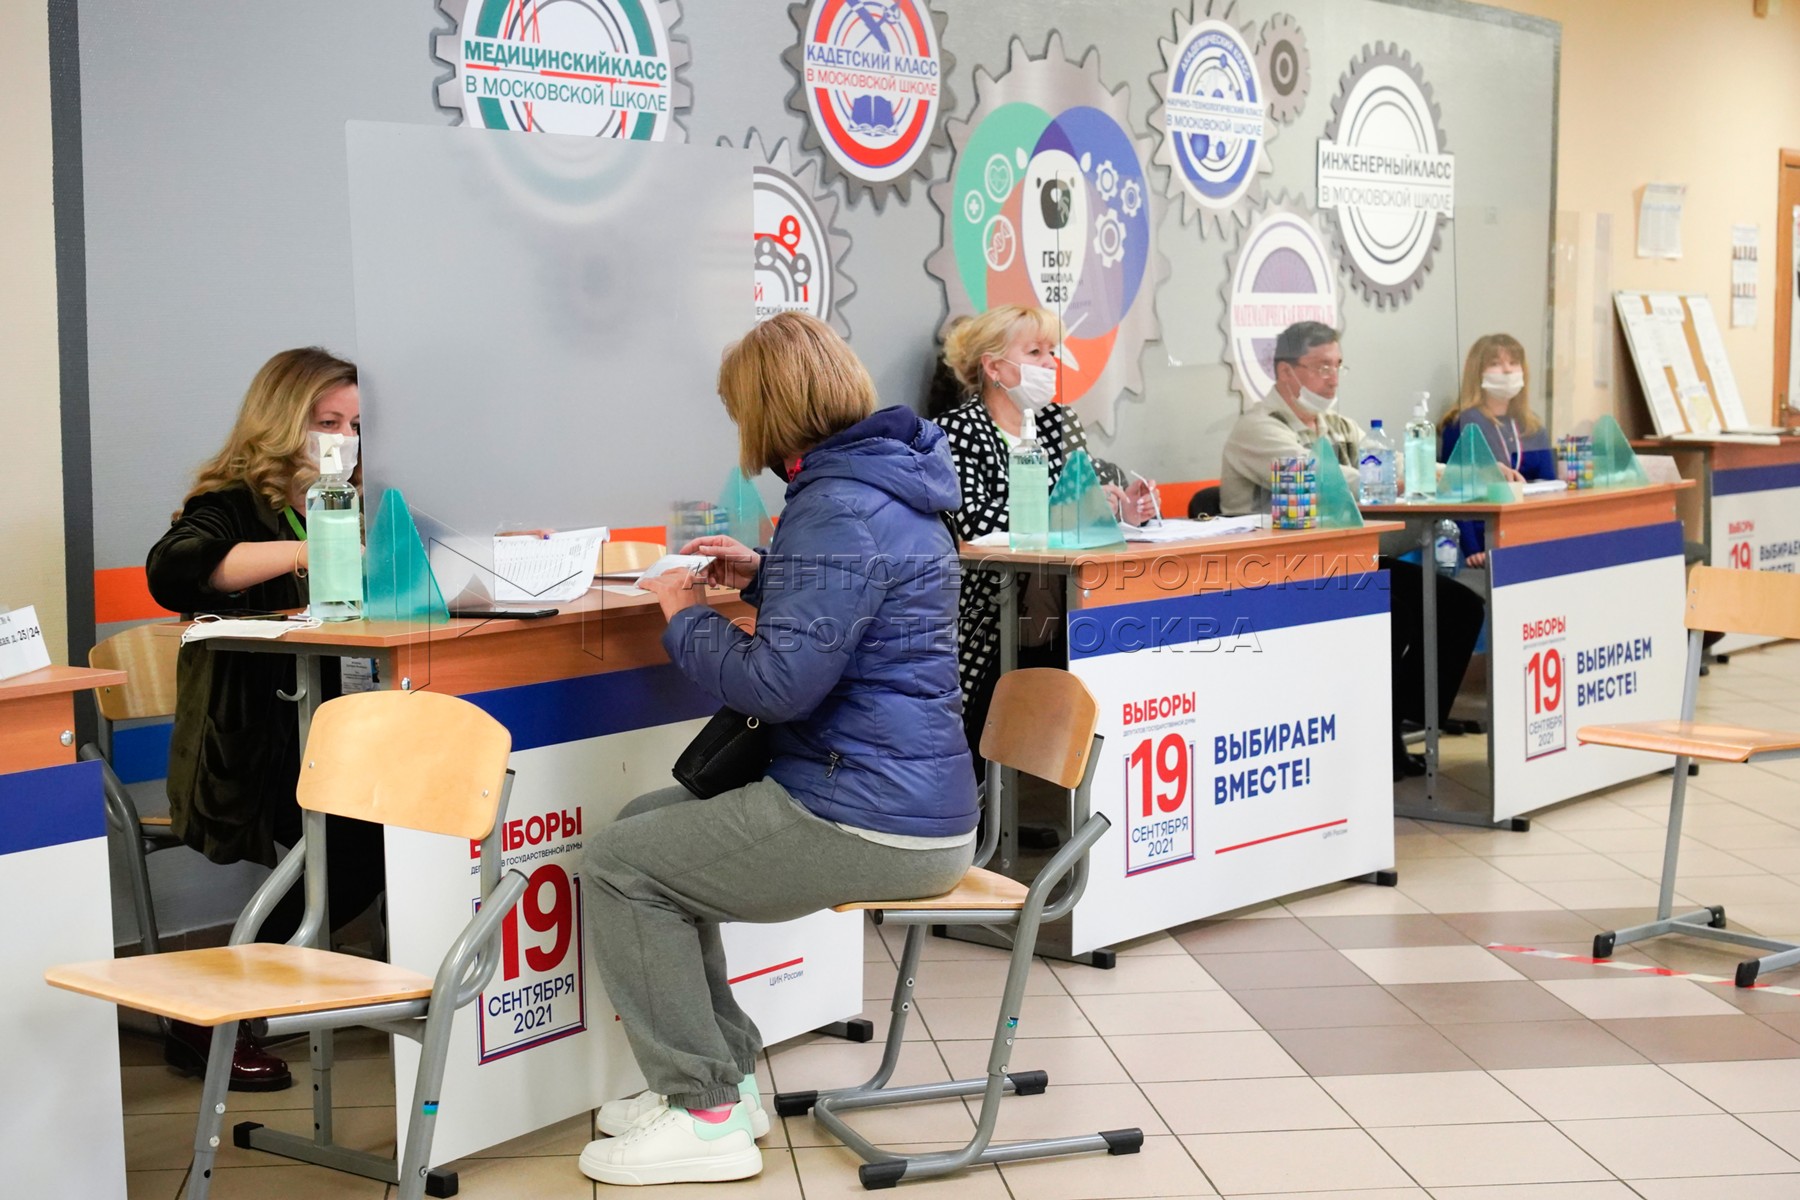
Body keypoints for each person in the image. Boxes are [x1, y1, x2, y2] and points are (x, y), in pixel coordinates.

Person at [576, 312, 976, 1187]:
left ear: (765, 408)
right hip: (915, 801)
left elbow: (777, 687)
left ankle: (704, 1113)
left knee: (618, 865)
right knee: (645, 827)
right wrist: (768, 574)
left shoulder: (833, 504)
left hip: (861, 810)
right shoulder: (884, 483)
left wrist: (685, 616)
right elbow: (867, 601)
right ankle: (726, 1084)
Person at [145, 346, 387, 1091]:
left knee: (392, 827)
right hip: (255, 739)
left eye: (355, 424)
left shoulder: (361, 498)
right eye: (327, 421)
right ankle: (212, 1014)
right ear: (283, 420)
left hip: (342, 729)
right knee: (358, 850)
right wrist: (305, 549)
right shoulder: (233, 501)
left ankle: (268, 990)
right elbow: (174, 569)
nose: (343, 439)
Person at [1218, 321, 1488, 778]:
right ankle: (1375, 743)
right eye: (1321, 366)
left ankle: (1399, 724)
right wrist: (1397, 479)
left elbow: (1393, 462)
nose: (1333, 378)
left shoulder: (1338, 426)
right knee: (1394, 611)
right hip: (1277, 572)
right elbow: (1326, 480)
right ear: (1285, 371)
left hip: (1342, 561)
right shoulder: (1257, 428)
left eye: (1338, 366)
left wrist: (1463, 472)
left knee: (1458, 606)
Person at [934, 305, 1156, 771]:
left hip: (1063, 597)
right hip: (988, 603)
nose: (1050, 363)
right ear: (994, 367)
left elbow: (1086, 495)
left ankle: (1050, 783)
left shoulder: (1058, 421)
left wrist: (1125, 508)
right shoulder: (957, 430)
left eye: (1051, 351)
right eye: (1034, 352)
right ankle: (995, 793)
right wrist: (1059, 516)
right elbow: (971, 520)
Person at [1440, 333, 1555, 566]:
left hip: (1528, 531)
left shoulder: (1531, 425)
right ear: (1478, 373)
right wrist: (1471, 549)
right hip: (1484, 536)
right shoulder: (1463, 423)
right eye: (1495, 363)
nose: (1507, 370)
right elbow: (1455, 491)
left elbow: (1550, 485)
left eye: (1513, 363)